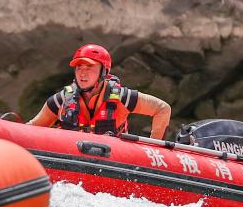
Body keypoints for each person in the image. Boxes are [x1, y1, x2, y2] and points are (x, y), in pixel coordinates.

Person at [28, 44, 171, 138]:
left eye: (89, 68)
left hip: (112, 163)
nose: (82, 73)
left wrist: (154, 146)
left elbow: (162, 109)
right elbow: (32, 128)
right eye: (79, 68)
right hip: (70, 162)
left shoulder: (122, 97)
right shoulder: (61, 100)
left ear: (103, 72)